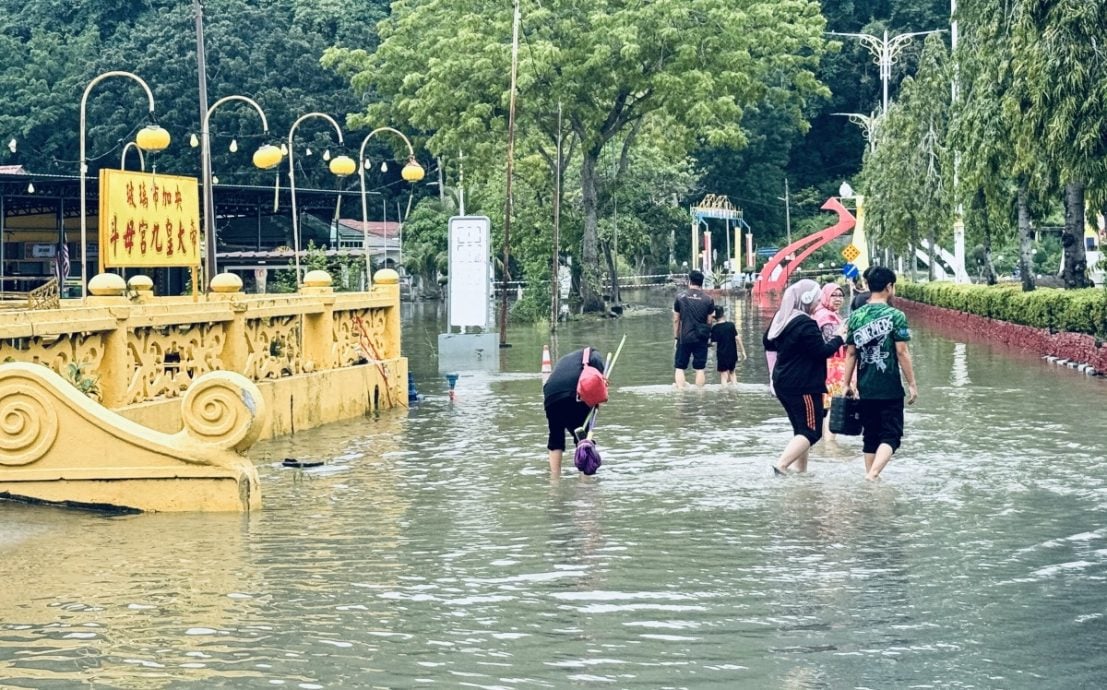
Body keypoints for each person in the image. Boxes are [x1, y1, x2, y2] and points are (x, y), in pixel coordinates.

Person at [842, 266, 918, 481]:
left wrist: (846, 383)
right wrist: (912, 384)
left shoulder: (856, 316)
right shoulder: (896, 316)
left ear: (868, 285)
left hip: (865, 386)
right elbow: (902, 352)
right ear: (889, 286)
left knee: (871, 436)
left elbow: (850, 353)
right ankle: (873, 474)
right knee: (892, 435)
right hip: (889, 386)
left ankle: (870, 478)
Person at [764, 279, 846, 474]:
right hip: (803, 386)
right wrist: (840, 338)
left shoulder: (782, 318)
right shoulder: (806, 324)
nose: (818, 303)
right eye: (816, 299)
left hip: (782, 382)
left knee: (801, 430)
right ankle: (782, 465)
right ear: (807, 299)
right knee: (812, 432)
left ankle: (801, 472)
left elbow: (768, 342)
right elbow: (821, 352)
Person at [543, 346, 606, 476]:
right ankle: (585, 479)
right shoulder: (595, 356)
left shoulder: (566, 360)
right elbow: (595, 385)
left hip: (550, 394)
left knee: (555, 438)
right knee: (583, 438)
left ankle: (554, 479)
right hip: (574, 393)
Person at [813, 283, 848, 439]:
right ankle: (830, 445)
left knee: (826, 407)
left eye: (841, 296)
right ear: (825, 296)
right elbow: (831, 341)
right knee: (832, 405)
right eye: (834, 295)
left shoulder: (828, 314)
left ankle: (822, 444)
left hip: (824, 366)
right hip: (831, 367)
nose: (838, 299)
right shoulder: (826, 317)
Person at [673, 269, 715, 387]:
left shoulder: (680, 297)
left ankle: (680, 393)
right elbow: (709, 321)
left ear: (690, 281)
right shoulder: (708, 299)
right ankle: (700, 395)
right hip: (701, 337)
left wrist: (676, 336)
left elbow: (676, 319)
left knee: (680, 367)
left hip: (684, 337)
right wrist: (707, 336)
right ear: (702, 283)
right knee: (700, 368)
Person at [709, 305, 746, 385]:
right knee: (732, 372)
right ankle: (735, 388)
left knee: (723, 375)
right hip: (732, 354)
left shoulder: (715, 328)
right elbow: (738, 338)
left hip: (722, 355)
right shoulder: (731, 325)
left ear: (714, 317)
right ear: (723, 314)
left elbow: (712, 343)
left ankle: (724, 391)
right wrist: (743, 351)